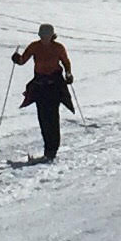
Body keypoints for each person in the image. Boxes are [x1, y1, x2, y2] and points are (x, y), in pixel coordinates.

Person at [11, 22, 73, 161]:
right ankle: (48, 149)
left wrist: (68, 74)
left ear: (52, 35)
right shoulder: (34, 46)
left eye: (47, 35)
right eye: (42, 35)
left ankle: (52, 150)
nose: (44, 38)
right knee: (43, 118)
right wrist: (16, 59)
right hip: (40, 86)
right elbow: (22, 60)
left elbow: (66, 62)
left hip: (55, 85)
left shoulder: (58, 47)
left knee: (53, 118)